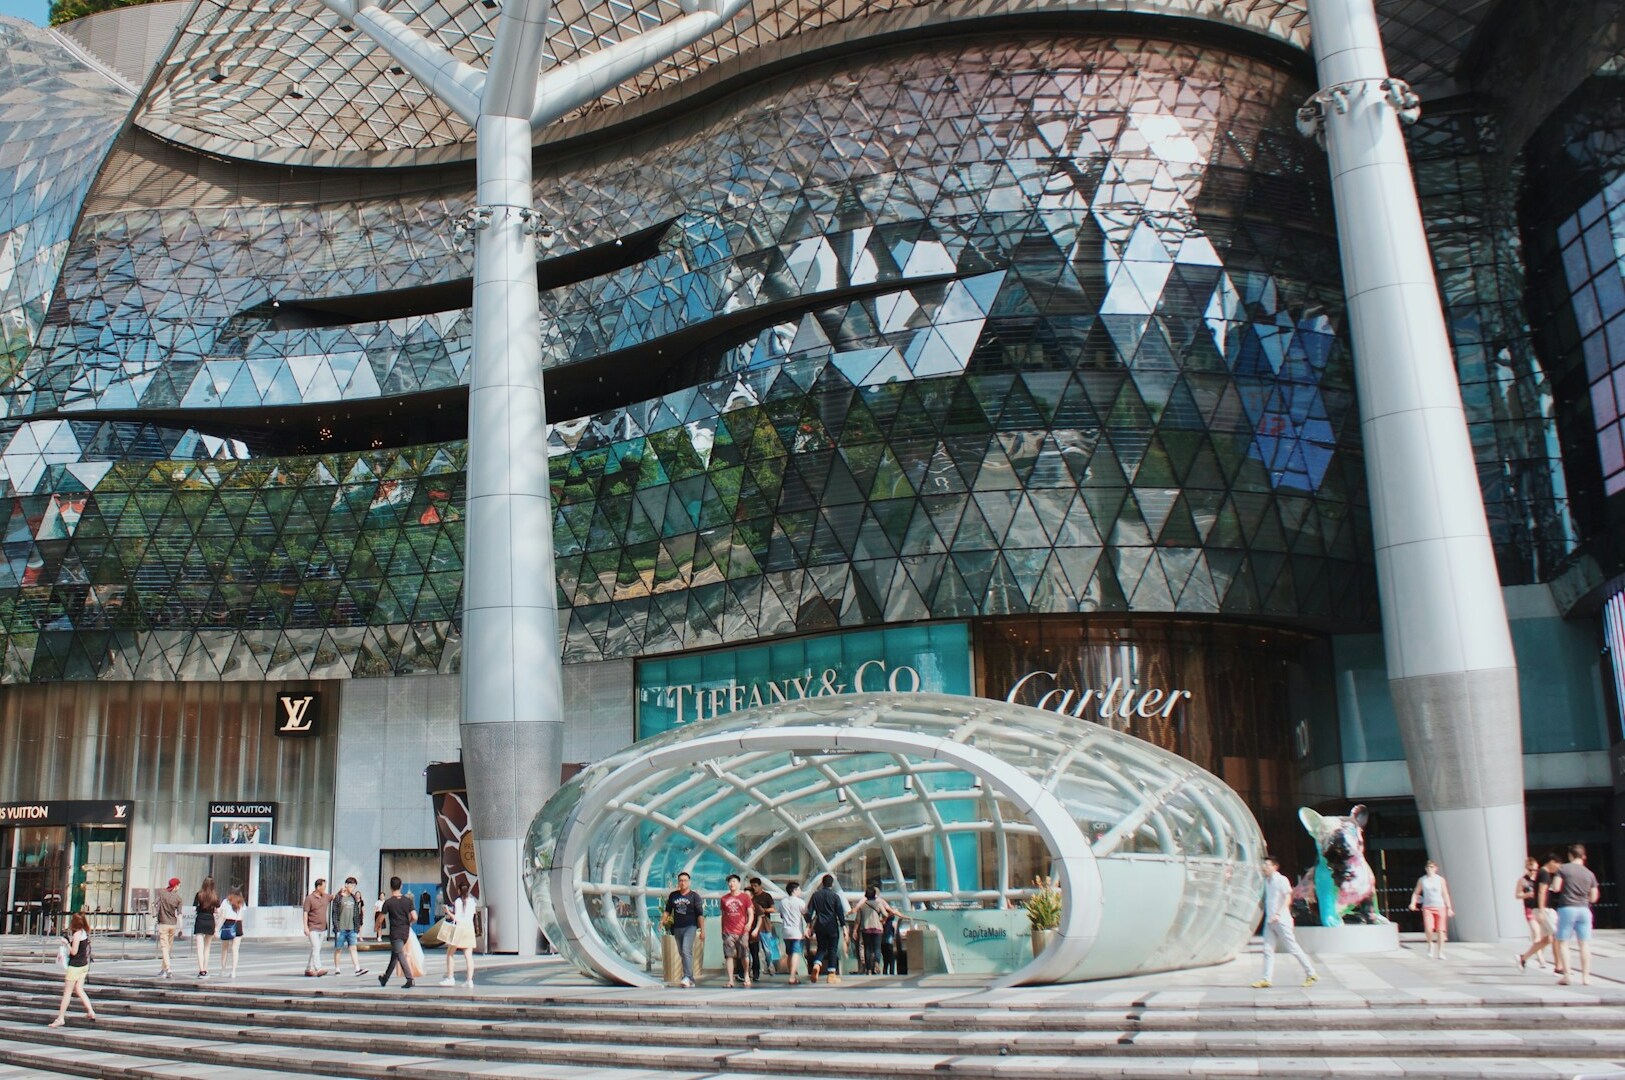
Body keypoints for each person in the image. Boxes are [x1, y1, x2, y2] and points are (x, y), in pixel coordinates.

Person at [1252, 856, 1317, 988]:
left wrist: (1278, 913)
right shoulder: (1267, 881)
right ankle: (1266, 978)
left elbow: (1288, 898)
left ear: (1275, 867)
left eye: (1267, 865)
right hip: (1270, 921)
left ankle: (1311, 973)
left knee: (1292, 947)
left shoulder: (1281, 880)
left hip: (1281, 920)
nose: (1264, 867)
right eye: (1264, 865)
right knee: (1267, 949)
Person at [1554, 844, 1600, 986]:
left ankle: (1567, 975)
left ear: (1570, 855)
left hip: (1567, 908)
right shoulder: (1589, 873)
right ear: (1583, 857)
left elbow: (1555, 887)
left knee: (1563, 942)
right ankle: (1586, 977)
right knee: (1584, 944)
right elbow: (1593, 897)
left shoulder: (1563, 869)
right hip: (1584, 909)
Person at [1518, 852, 1565, 974]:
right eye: (1557, 865)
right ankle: (1559, 965)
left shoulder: (1542, 873)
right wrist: (1542, 909)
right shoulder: (1544, 874)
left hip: (1540, 909)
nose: (1558, 869)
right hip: (1545, 909)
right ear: (1552, 862)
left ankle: (1523, 958)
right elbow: (1542, 892)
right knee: (1557, 935)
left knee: (1548, 939)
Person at [47, 912, 96, 1027]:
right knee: (79, 989)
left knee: (67, 992)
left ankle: (60, 1018)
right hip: (84, 965)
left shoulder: (77, 934)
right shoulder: (84, 933)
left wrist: (66, 943)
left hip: (75, 966)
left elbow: (73, 952)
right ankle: (90, 1011)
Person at [807, 874, 849, 985]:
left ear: (822, 883)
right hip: (832, 926)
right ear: (832, 884)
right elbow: (840, 913)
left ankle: (816, 964)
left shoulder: (815, 895)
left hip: (819, 925)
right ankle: (831, 975)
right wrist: (844, 927)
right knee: (832, 949)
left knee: (821, 948)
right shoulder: (835, 897)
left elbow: (809, 912)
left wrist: (809, 925)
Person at [378, 876, 417, 989]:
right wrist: (409, 923)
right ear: (401, 886)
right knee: (395, 955)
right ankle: (384, 978)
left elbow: (380, 918)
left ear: (391, 887)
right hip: (405, 932)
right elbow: (415, 917)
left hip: (395, 932)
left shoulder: (388, 902)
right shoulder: (408, 901)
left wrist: (376, 927)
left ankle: (410, 979)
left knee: (399, 954)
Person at [1408, 860, 1454, 959]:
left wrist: (1449, 908)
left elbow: (1445, 894)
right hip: (1427, 907)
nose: (1430, 869)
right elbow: (1416, 892)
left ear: (1436, 868)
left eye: (1432, 867)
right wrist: (1413, 903)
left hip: (1440, 906)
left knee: (1440, 930)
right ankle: (1430, 945)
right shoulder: (1422, 880)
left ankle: (1441, 951)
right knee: (1429, 928)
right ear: (1426, 869)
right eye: (1428, 867)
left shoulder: (1440, 880)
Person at [665, 872, 703, 988]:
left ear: (689, 882)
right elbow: (667, 910)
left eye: (685, 880)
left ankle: (686, 976)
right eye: (681, 880)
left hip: (690, 927)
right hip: (677, 927)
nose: (683, 882)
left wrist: (703, 930)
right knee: (682, 952)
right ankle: (690, 978)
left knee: (686, 950)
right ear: (678, 882)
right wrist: (663, 921)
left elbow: (700, 914)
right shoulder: (673, 895)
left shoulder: (694, 896)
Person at [439, 882, 478, 987]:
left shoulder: (458, 901)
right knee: (468, 956)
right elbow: (472, 915)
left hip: (459, 929)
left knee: (450, 954)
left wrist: (448, 911)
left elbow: (457, 918)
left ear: (459, 890)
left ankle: (450, 978)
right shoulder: (472, 901)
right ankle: (469, 981)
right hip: (469, 929)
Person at [719, 874, 755, 988]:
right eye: (730, 882)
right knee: (728, 955)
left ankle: (746, 975)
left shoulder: (745, 897)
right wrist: (722, 929)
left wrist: (749, 924)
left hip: (742, 931)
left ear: (739, 884)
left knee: (744, 955)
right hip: (728, 931)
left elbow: (750, 912)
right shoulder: (724, 899)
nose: (731, 884)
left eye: (734, 881)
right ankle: (730, 980)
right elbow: (723, 915)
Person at [330, 876, 369, 977]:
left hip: (351, 928)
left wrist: (357, 928)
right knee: (339, 948)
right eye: (351, 885)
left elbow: (356, 913)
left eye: (354, 886)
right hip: (341, 928)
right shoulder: (338, 898)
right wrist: (337, 928)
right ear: (346, 885)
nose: (352, 887)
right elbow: (334, 913)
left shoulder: (353, 898)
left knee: (353, 948)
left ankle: (357, 968)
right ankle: (337, 969)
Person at [1515, 858, 1545, 967]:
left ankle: (1534, 954)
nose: (1533, 872)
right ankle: (1541, 959)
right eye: (1531, 869)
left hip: (1540, 909)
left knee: (1543, 935)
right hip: (1530, 909)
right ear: (1526, 869)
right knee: (1537, 933)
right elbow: (1517, 895)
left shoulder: (1539, 879)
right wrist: (1527, 895)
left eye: (1535, 870)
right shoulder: (1523, 880)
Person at [856, 886, 892, 975]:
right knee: (877, 948)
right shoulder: (878, 904)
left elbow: (858, 919)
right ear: (875, 895)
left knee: (867, 949)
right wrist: (882, 921)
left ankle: (868, 969)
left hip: (866, 929)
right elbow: (885, 914)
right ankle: (876, 963)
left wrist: (854, 930)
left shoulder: (862, 906)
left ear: (866, 895)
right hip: (877, 929)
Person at [778, 881, 807, 985]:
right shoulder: (800, 902)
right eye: (799, 889)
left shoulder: (783, 902)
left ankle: (792, 975)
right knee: (796, 953)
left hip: (786, 931)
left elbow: (781, 915)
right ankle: (792, 976)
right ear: (794, 890)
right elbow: (805, 913)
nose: (800, 891)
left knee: (789, 954)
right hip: (797, 932)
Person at [747, 877, 775, 981]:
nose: (754, 888)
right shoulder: (751, 897)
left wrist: (763, 910)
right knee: (753, 951)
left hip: (765, 926)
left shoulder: (766, 896)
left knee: (767, 949)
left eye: (755, 886)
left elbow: (773, 909)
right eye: (752, 886)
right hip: (753, 928)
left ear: (760, 886)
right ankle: (752, 970)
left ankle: (769, 963)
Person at [154, 877, 183, 979]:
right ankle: (164, 969)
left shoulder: (162, 893)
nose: (179, 887)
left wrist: (154, 913)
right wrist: (181, 928)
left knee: (164, 947)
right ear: (175, 886)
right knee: (168, 947)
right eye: (179, 885)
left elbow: (154, 903)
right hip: (173, 924)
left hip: (163, 923)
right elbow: (179, 914)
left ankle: (168, 968)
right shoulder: (178, 899)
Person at [302, 878, 330, 977]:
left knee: (315, 949)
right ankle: (319, 968)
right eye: (324, 886)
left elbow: (334, 897)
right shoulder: (309, 898)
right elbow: (305, 913)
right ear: (318, 887)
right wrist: (305, 927)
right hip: (312, 927)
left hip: (322, 928)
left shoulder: (325, 897)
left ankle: (309, 968)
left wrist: (342, 891)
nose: (325, 888)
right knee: (316, 947)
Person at [192, 876, 220, 979]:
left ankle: (201, 970)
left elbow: (194, 908)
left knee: (200, 947)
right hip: (210, 920)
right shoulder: (214, 896)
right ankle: (206, 968)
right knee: (207, 947)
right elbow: (218, 910)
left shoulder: (199, 894)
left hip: (200, 919)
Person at [218, 887, 245, 979]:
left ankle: (223, 969)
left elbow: (222, 915)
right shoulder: (242, 902)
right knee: (235, 949)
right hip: (238, 924)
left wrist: (217, 927)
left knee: (224, 949)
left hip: (228, 924)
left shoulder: (226, 901)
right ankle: (233, 971)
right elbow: (242, 916)